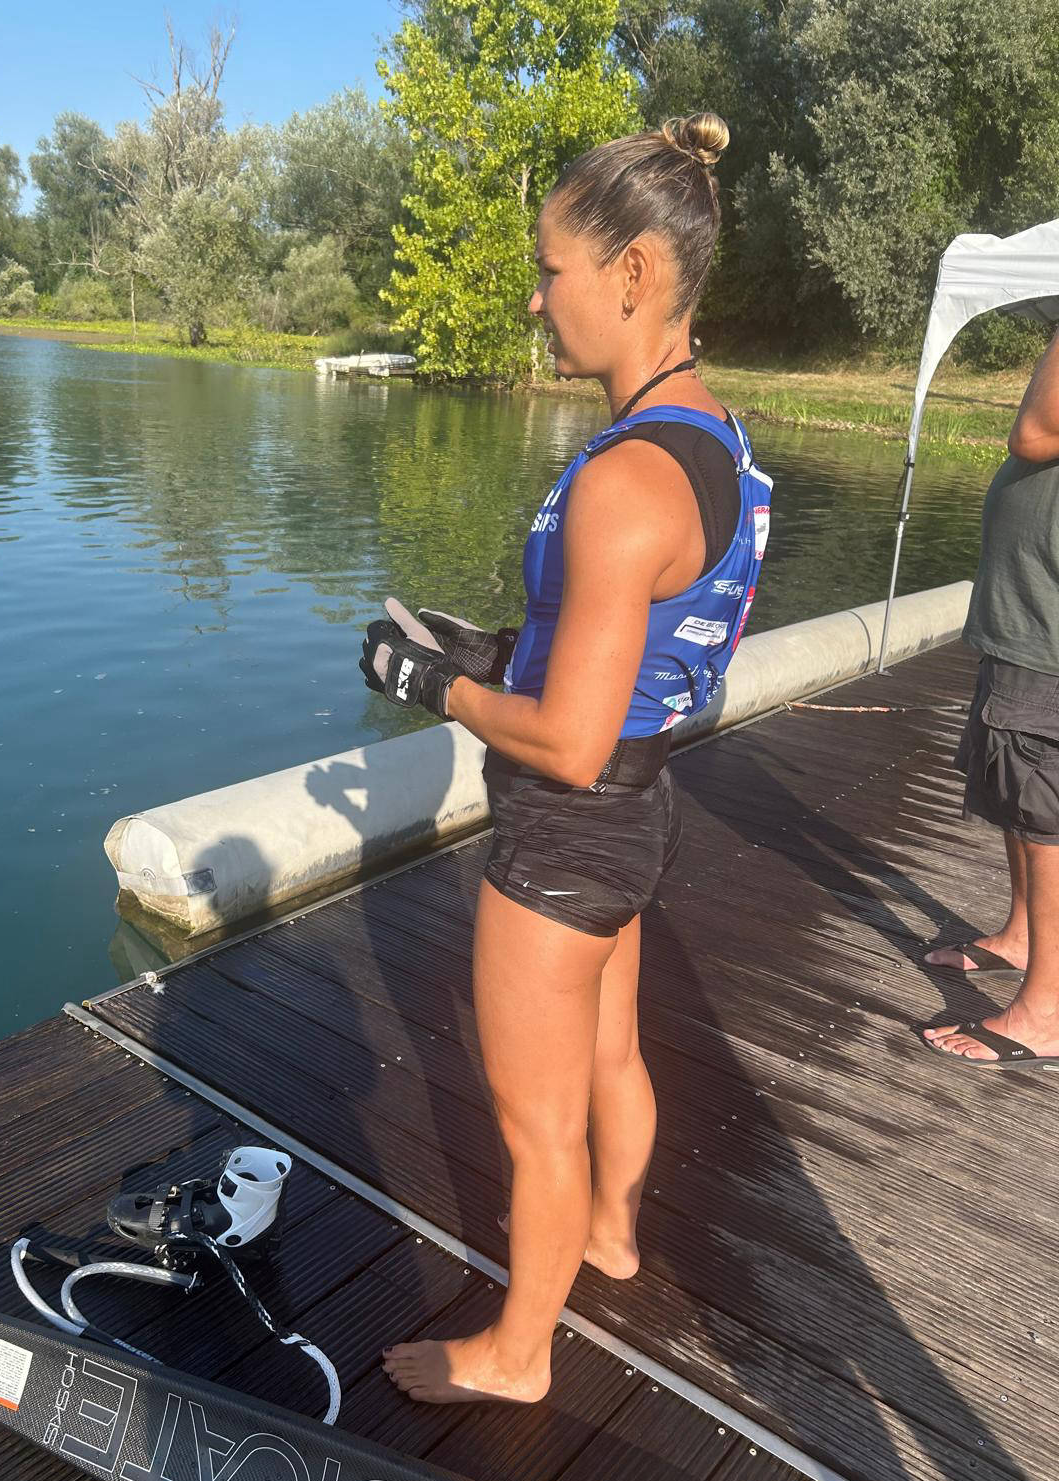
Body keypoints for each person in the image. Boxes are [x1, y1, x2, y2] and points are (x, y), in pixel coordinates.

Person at [360, 114, 773, 1404]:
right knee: (610, 1058)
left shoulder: (623, 480)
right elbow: (633, 643)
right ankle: (612, 1236)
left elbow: (570, 737)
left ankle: (518, 1354)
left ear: (634, 272)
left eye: (551, 271)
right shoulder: (714, 441)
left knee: (537, 1122)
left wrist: (434, 685)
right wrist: (493, 646)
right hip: (639, 810)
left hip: (566, 826)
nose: (537, 301)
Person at [922, 328, 1059, 1069]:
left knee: (1044, 812)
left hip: (1048, 632)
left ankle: (1048, 1010)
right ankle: (1022, 937)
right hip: (1025, 619)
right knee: (1015, 789)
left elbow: (1033, 431)